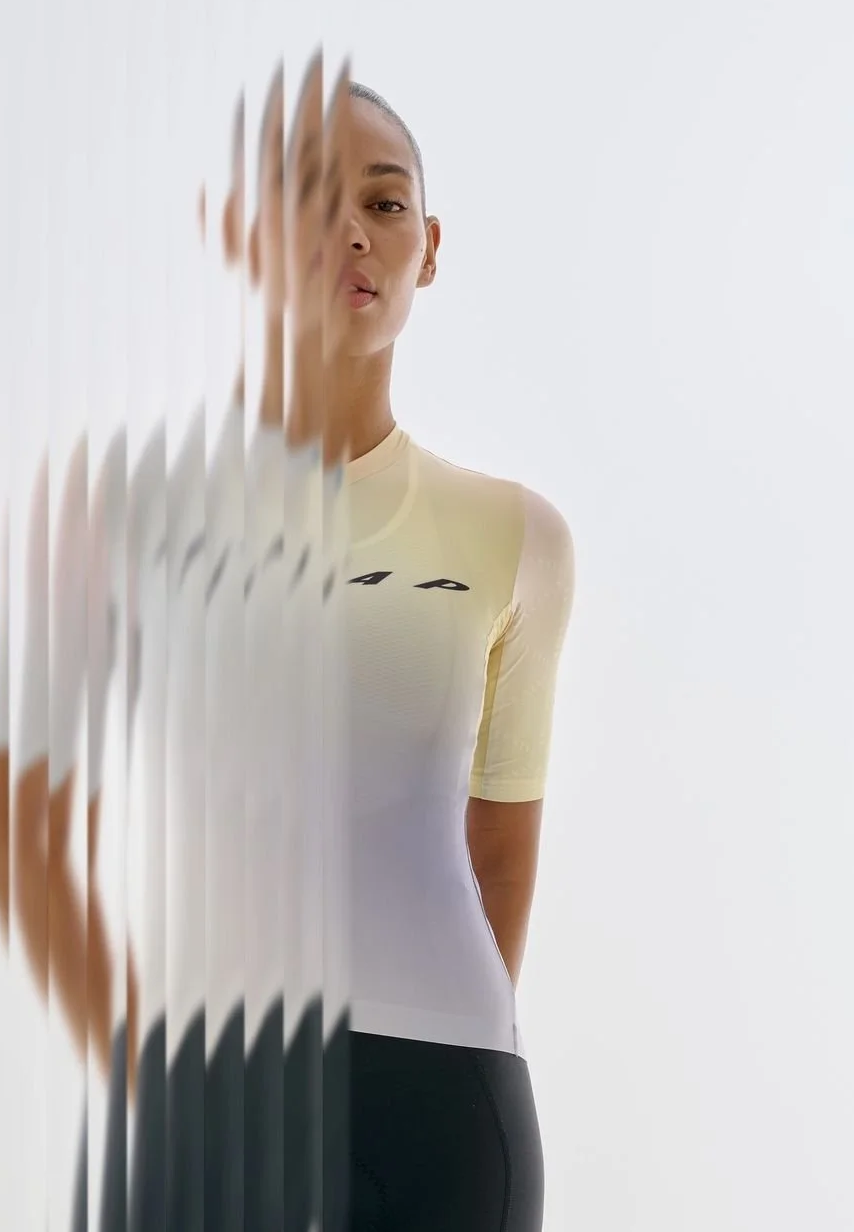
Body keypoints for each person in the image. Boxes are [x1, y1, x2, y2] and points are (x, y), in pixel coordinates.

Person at [303, 67, 576, 1231]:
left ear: (428, 247)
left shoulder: (513, 535)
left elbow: (502, 842)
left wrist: (456, 1022)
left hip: (451, 1098)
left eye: (384, 202)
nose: (352, 235)